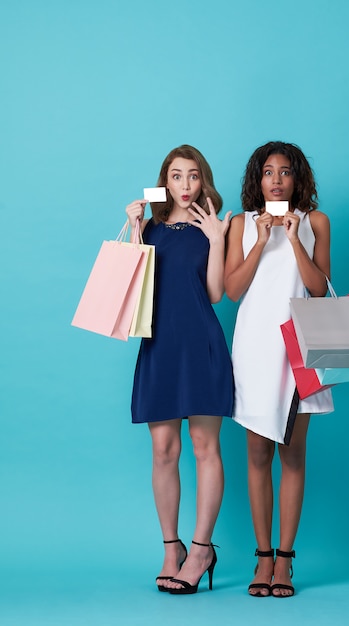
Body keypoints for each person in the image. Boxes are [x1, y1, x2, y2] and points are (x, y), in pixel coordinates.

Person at [224, 141, 334, 598]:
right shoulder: (240, 223)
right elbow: (232, 290)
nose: (275, 179)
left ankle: (285, 561)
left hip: (301, 348)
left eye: (284, 171)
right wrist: (263, 240)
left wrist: (292, 237)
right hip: (254, 346)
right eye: (267, 171)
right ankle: (262, 556)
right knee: (256, 454)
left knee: (292, 454)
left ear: (297, 177)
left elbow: (319, 288)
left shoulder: (315, 222)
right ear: (257, 179)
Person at [126, 145, 233, 595]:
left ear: (202, 180)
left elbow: (214, 294)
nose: (186, 185)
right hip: (160, 345)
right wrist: (135, 229)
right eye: (176, 176)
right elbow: (135, 287)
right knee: (163, 450)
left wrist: (219, 239)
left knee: (205, 446)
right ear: (164, 182)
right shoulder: (149, 227)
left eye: (193, 176)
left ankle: (202, 547)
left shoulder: (211, 227)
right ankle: (172, 550)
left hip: (202, 344)